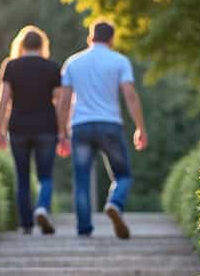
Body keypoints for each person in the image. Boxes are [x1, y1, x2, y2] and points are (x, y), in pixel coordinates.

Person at [56, 19, 149, 238]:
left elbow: (64, 100)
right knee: (123, 174)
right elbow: (130, 95)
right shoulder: (119, 61)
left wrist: (62, 133)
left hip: (81, 126)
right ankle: (115, 202)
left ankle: (84, 229)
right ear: (112, 39)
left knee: (81, 180)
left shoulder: (73, 62)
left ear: (90, 37)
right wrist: (140, 128)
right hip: (110, 125)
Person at [0, 25, 64, 234]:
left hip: (19, 128)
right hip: (46, 128)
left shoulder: (11, 66)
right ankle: (42, 207)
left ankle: (26, 225)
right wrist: (63, 132)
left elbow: (2, 101)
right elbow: (60, 102)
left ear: (21, 45)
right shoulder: (52, 67)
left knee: (22, 177)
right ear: (42, 45)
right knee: (45, 176)